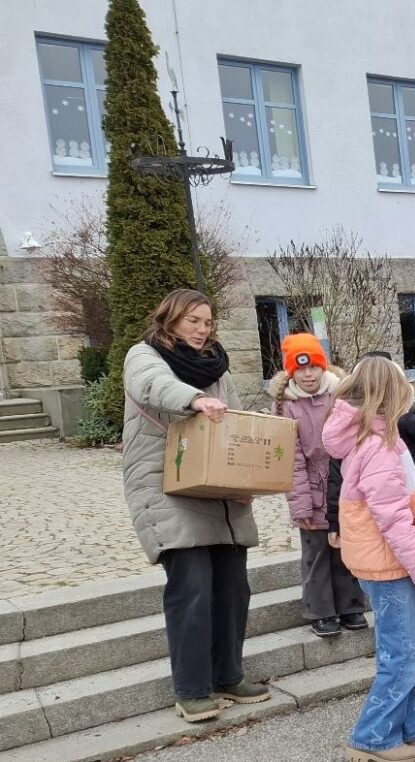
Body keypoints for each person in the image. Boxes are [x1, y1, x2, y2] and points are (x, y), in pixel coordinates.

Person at [121, 289, 270, 722]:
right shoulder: (144, 356)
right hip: (166, 488)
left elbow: (237, 424)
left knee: (232, 589)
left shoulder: (216, 365)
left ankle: (229, 674)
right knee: (193, 589)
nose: (203, 330)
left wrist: (248, 479)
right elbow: (153, 386)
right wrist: (194, 400)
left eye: (207, 322)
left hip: (219, 493)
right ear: (170, 321)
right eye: (193, 322)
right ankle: (191, 690)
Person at [322, 356, 415, 762]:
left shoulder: (376, 438)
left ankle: (406, 729)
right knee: (406, 652)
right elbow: (394, 521)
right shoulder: (379, 447)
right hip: (388, 565)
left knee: (403, 649)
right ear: (391, 396)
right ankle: (372, 738)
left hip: (386, 562)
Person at [269, 333, 367, 638]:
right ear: (291, 372)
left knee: (344, 547)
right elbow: (291, 458)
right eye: (300, 369)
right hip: (310, 483)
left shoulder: (339, 395)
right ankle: (321, 610)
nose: (308, 374)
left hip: (341, 482)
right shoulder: (287, 406)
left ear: (322, 367)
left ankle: (351, 605)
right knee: (316, 553)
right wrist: (300, 503)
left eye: (313, 367)